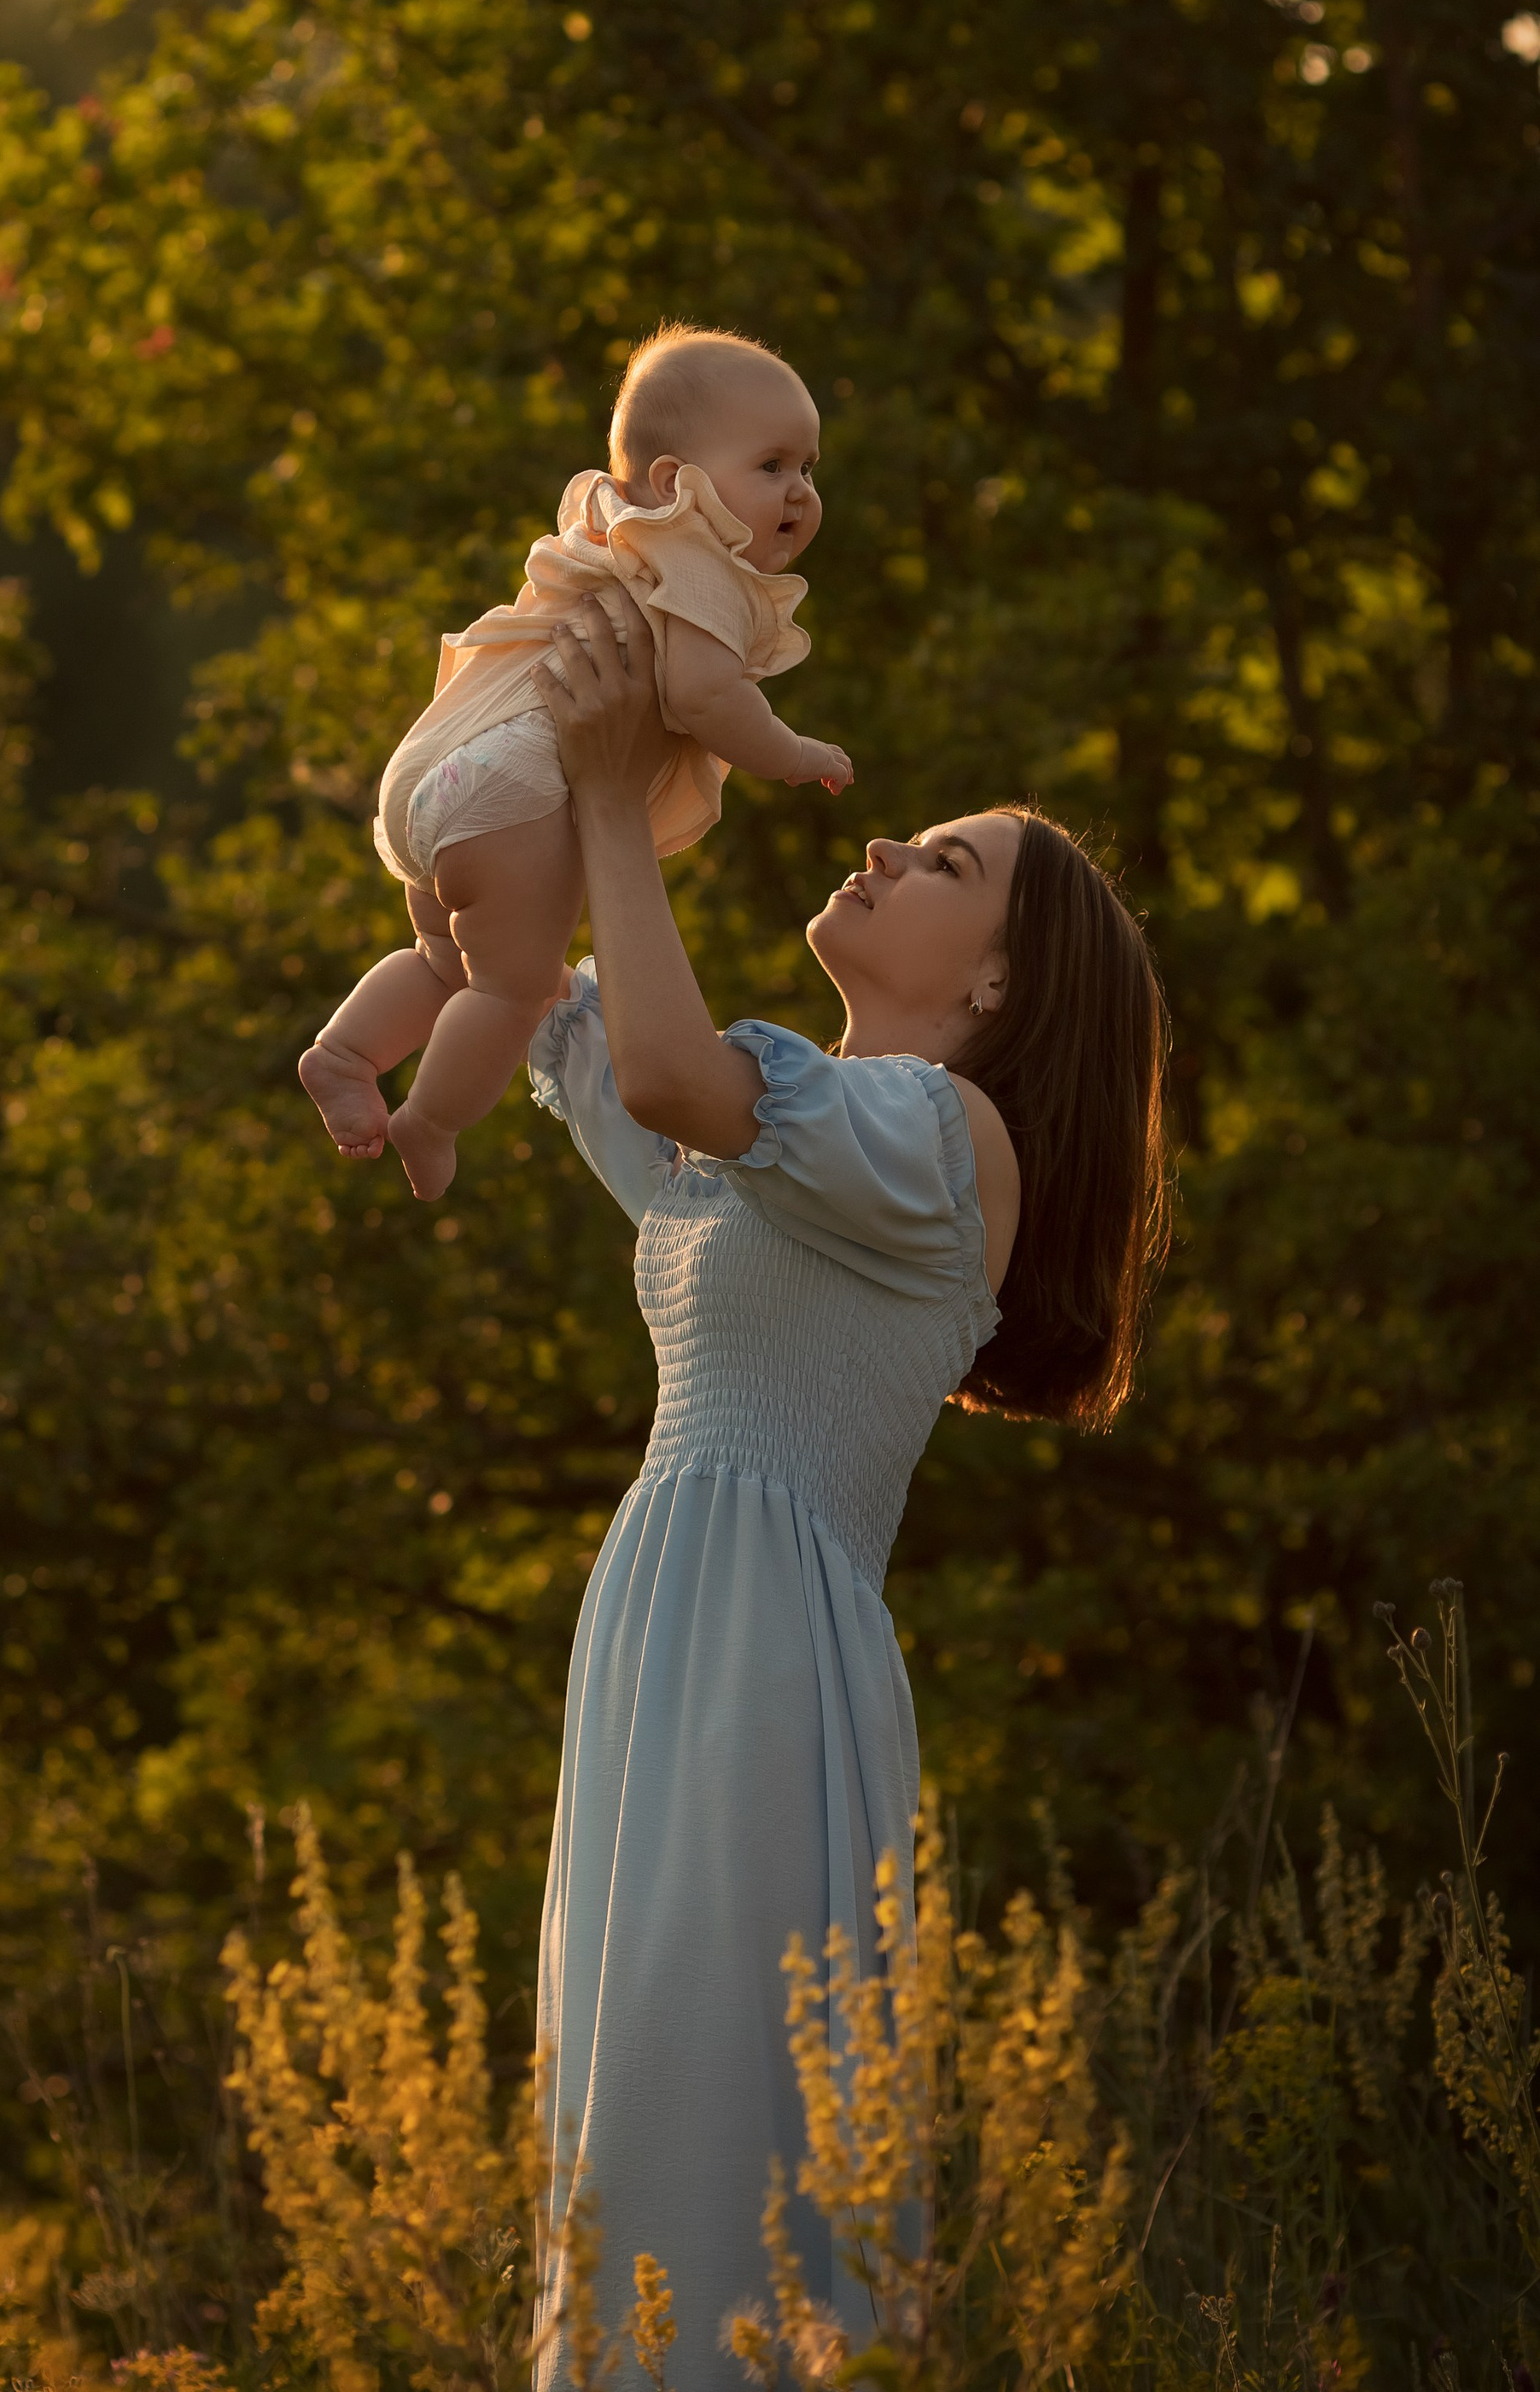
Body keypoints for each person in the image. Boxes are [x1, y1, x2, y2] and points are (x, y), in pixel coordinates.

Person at [525, 597, 1170, 2381]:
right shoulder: (796, 1138)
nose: (885, 845)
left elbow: (660, 1066)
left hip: (752, 1675)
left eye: (947, 857)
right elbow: (583, 1038)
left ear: (995, 984)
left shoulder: (941, 1144)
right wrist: (558, 730)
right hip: (665, 1643)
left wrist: (597, 803)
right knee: (617, 2136)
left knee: (705, 2150)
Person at [299, 326, 852, 1203]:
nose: (800, 493)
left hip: (438, 769)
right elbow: (704, 697)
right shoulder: (693, 554)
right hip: (514, 790)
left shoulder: (616, 532)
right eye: (773, 465)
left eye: (809, 469)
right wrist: (792, 751)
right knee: (513, 993)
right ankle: (430, 1123)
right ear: (677, 485)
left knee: (444, 958)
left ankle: (343, 1054)